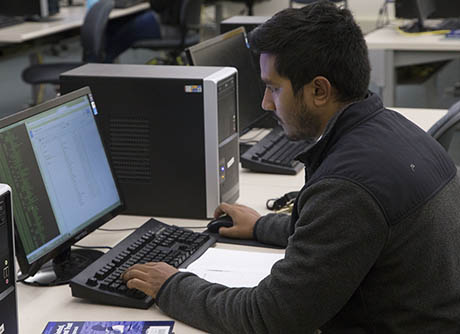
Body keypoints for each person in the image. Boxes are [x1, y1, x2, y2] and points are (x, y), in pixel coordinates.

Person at [122, 1, 460, 333]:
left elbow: (269, 318)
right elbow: (346, 235)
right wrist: (260, 227)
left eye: (273, 88)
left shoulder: (348, 187)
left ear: (319, 90)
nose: (266, 103)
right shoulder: (393, 128)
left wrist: (172, 286)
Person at [104, 0, 183, 63]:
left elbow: (157, 5)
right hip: (178, 22)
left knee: (120, 34)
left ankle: (101, 68)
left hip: (172, 27)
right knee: (113, 25)